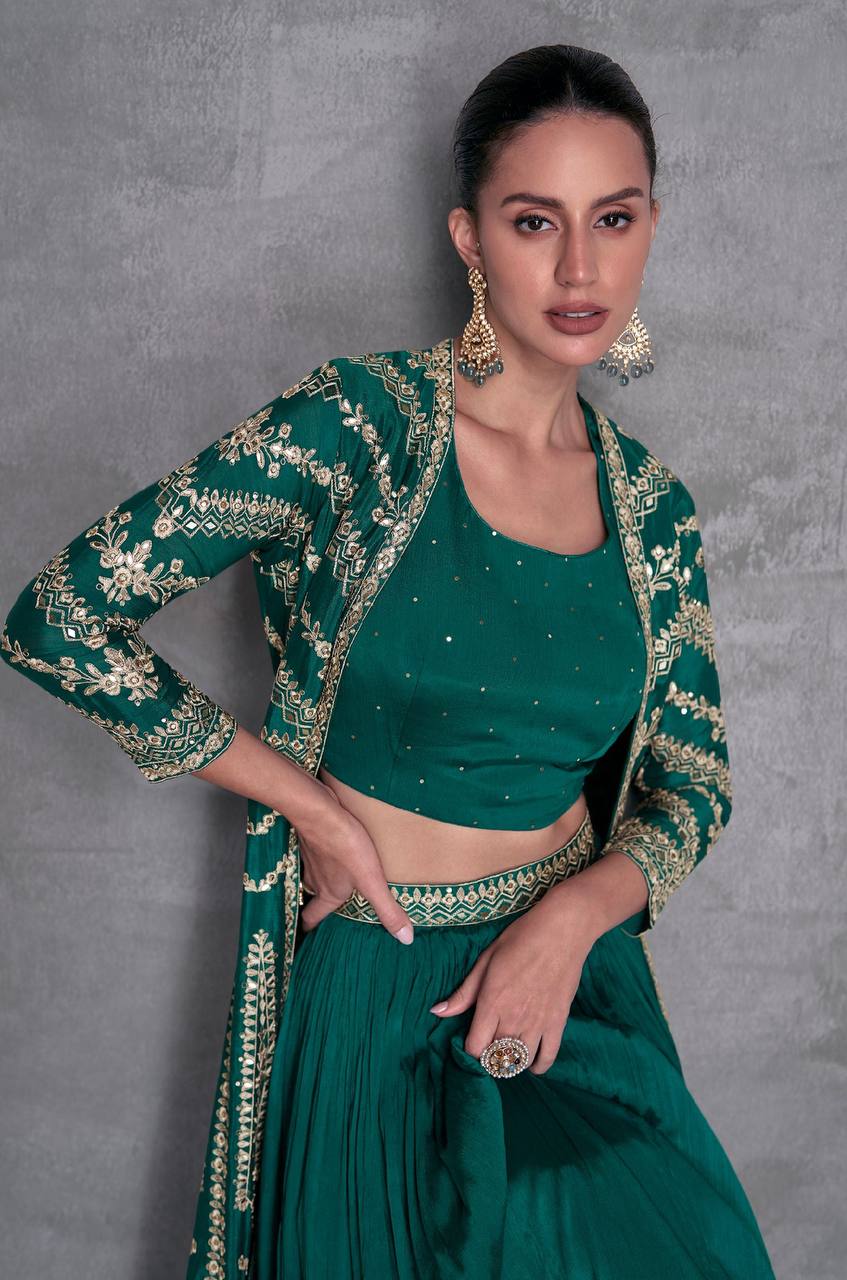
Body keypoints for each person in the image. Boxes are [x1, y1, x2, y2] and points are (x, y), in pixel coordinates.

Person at [0, 42, 776, 1280]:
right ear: (469, 238)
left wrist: (572, 918)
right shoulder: (360, 429)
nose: (580, 268)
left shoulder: (652, 509)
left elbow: (696, 781)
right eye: (535, 221)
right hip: (384, 981)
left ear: (649, 228)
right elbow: (59, 617)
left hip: (574, 992)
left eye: (613, 218)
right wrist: (309, 807)